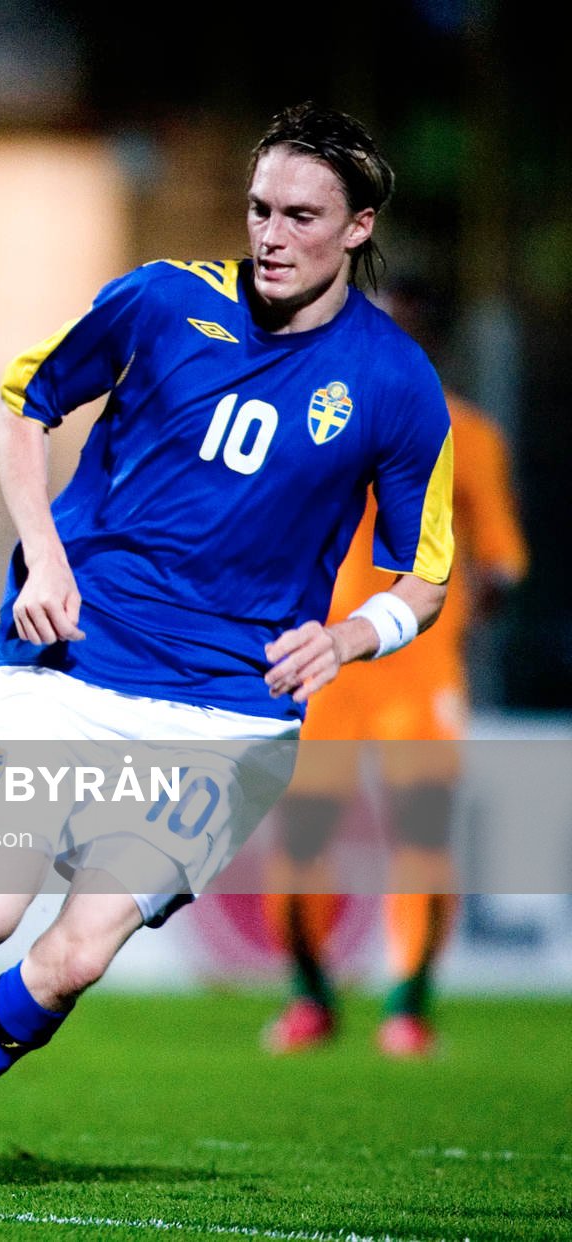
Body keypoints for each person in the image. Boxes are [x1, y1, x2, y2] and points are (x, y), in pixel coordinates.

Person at [0, 102, 455, 1191]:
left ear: (358, 227)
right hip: (76, 666)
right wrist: (44, 559)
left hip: (225, 720)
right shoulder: (161, 302)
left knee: (73, 957)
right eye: (259, 209)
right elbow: (24, 403)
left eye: (302, 215)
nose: (272, 236)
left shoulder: (395, 382)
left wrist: (350, 638)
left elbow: (425, 575)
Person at [263, 282, 528, 1060]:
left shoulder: (470, 436)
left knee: (423, 840)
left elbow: (500, 556)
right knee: (302, 837)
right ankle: (309, 995)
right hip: (328, 663)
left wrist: (474, 602)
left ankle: (408, 1006)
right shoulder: (314, 420)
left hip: (420, 671)